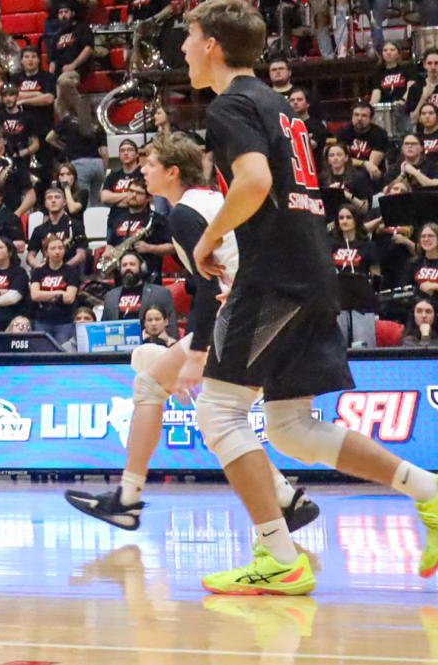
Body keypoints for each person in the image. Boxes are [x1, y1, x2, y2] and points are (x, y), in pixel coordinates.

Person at [183, 0, 438, 594]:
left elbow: (255, 180)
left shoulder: (231, 104)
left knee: (217, 411)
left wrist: (209, 237)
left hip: (276, 274)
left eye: (189, 37)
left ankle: (278, 555)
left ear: (211, 44)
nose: (184, 49)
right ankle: (435, 489)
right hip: (313, 266)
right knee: (290, 426)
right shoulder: (276, 103)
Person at [67, 134, 319, 533]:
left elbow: (207, 286)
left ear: (172, 172)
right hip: (260, 309)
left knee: (200, 408)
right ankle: (285, 498)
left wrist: (198, 351)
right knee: (184, 398)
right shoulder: (212, 200)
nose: (142, 170)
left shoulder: (185, 214)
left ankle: (130, 499)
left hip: (244, 316)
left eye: (150, 164)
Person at [330, 206, 380, 347]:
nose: (344, 221)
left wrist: (374, 290)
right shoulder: (331, 245)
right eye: (341, 218)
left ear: (356, 220)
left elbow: (376, 273)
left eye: (348, 217)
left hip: (363, 302)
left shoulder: (368, 246)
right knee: (337, 346)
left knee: (363, 346)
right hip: (338, 302)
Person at [25, 232, 82, 350]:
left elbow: (69, 298)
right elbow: (34, 295)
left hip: (64, 322)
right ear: (46, 252)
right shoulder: (38, 272)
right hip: (42, 321)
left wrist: (44, 295)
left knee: (62, 352)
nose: (57, 251)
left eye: (60, 248)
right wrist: (59, 293)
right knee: (41, 353)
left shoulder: (71, 272)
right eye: (53, 248)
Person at [101, 251, 174, 323]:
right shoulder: (110, 296)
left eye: (132, 264)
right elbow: (103, 325)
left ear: (142, 268)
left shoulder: (161, 293)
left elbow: (171, 325)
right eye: (124, 265)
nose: (128, 268)